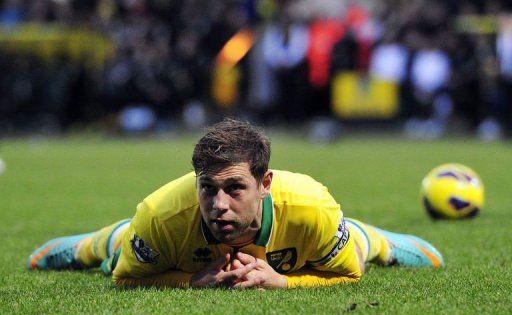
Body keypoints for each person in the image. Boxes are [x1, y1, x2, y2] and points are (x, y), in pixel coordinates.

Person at [26, 119, 444, 289]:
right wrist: (189, 281)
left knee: (349, 242)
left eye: (234, 189)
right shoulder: (162, 215)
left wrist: (284, 282)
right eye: (207, 188)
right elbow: (125, 280)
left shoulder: (311, 205)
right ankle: (95, 241)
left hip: (315, 231)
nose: (218, 204)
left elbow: (349, 274)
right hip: (165, 244)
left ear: (265, 184)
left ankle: (378, 239)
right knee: (120, 250)